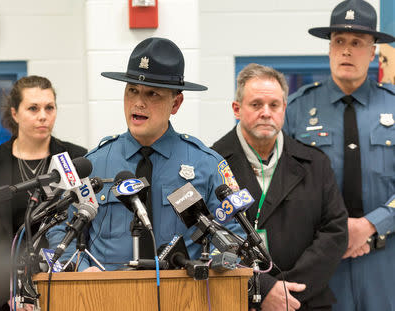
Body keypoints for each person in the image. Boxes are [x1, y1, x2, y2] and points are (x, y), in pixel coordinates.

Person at [47, 37, 241, 272]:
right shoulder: (94, 163)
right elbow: (60, 229)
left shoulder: (206, 164)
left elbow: (234, 235)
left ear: (176, 103)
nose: (138, 102)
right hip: (107, 298)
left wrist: (211, 269)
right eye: (132, 91)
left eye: (153, 94)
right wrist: (82, 269)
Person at [283, 0, 395, 310]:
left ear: (372, 52)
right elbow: (284, 191)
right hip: (320, 262)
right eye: (339, 42)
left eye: (357, 42)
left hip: (386, 262)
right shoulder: (297, 110)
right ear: (330, 49)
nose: (346, 50)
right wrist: (337, 234)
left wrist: (370, 225)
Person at [212, 63, 348, 311]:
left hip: (304, 300)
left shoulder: (315, 163)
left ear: (284, 109)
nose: (266, 112)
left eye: (274, 105)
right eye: (256, 104)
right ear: (237, 108)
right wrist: (263, 289)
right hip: (240, 300)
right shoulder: (212, 162)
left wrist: (286, 290)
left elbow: (335, 232)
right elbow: (209, 236)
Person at [0, 75, 87, 310]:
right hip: (4, 291)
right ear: (15, 113)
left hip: (61, 283)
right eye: (33, 108)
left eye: (49, 107)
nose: (43, 116)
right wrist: (6, 290)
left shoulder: (75, 158)